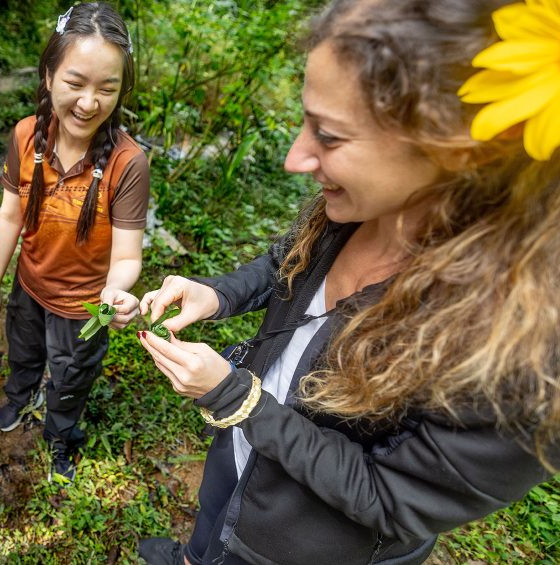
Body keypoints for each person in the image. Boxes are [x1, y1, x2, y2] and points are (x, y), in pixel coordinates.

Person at [135, 0, 560, 563]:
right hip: (243, 458)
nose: (295, 158)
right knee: (212, 524)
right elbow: (286, 266)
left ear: (455, 151)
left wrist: (238, 399)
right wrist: (217, 295)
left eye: (329, 137)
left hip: (295, 544)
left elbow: (389, 498)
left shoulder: (521, 358)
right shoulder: (366, 207)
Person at [0, 2, 149, 483]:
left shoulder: (127, 163)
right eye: (76, 83)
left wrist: (116, 291)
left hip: (83, 308)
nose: (90, 102)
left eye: (107, 88)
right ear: (49, 75)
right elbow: (11, 216)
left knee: (71, 378)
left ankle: (61, 437)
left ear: (122, 90)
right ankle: (20, 395)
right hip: (29, 288)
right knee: (23, 351)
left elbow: (128, 254)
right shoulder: (26, 136)